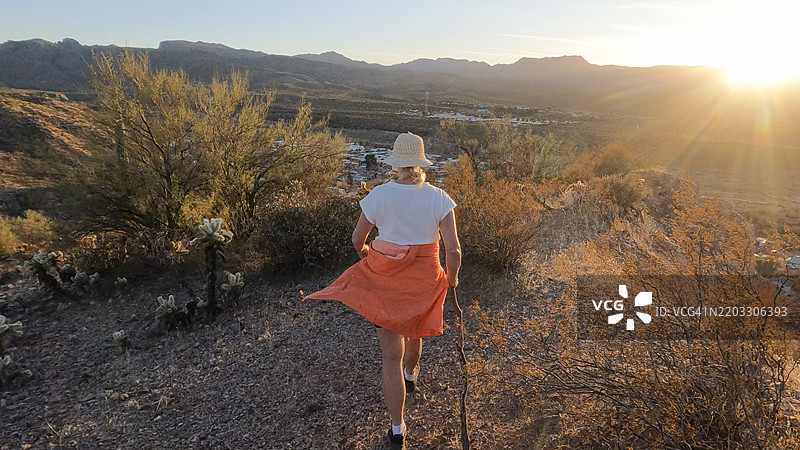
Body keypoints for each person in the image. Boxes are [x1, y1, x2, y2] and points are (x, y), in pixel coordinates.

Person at [303, 132, 461, 450]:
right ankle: (411, 375)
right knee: (414, 332)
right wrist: (452, 280)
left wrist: (367, 255)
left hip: (384, 282)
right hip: (423, 284)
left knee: (390, 357)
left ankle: (397, 430)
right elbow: (454, 250)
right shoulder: (439, 198)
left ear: (396, 164)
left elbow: (357, 239)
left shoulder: (379, 195)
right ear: (420, 163)